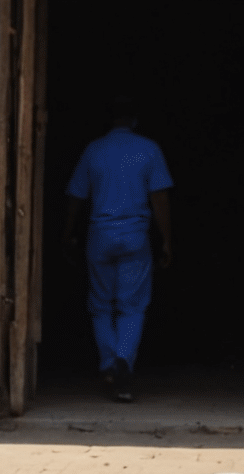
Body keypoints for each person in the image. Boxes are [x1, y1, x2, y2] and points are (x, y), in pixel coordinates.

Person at [64, 96, 173, 403]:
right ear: (135, 119)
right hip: (136, 237)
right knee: (132, 306)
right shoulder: (149, 149)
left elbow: (76, 197)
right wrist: (167, 239)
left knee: (101, 305)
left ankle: (109, 363)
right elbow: (160, 198)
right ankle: (124, 360)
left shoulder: (94, 150)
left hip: (100, 236)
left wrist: (67, 233)